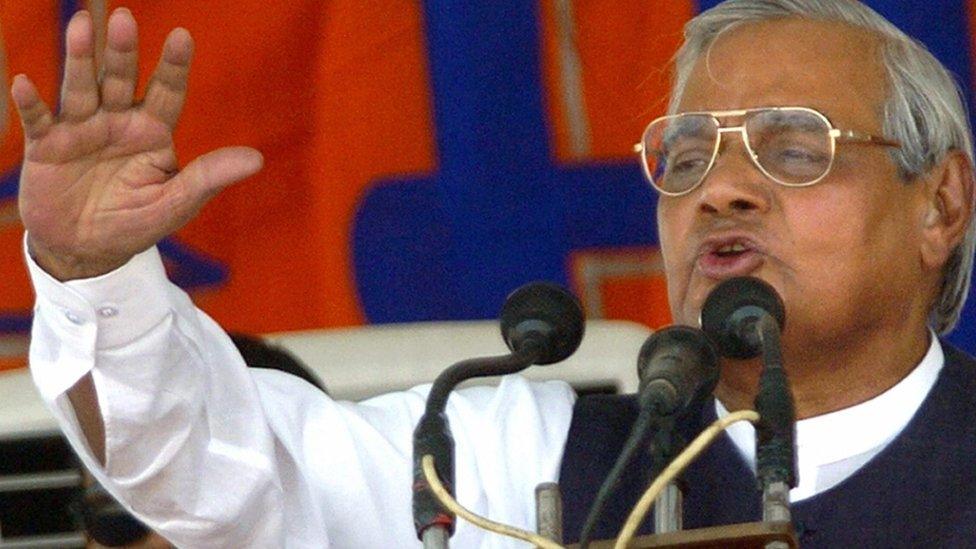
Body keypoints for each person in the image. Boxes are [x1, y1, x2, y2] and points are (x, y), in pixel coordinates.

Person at [14, 0, 976, 547]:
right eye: (686, 155)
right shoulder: (523, 458)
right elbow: (221, 476)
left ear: (939, 204)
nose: (721, 189)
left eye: (792, 148)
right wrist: (95, 273)